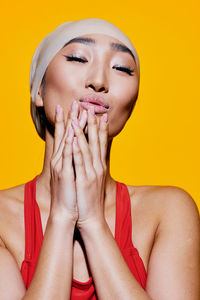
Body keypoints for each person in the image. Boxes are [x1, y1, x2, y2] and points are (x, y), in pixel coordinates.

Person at [0, 17, 199, 300]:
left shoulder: (168, 211)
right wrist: (62, 216)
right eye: (78, 58)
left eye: (121, 68)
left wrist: (93, 221)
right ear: (38, 91)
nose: (99, 81)